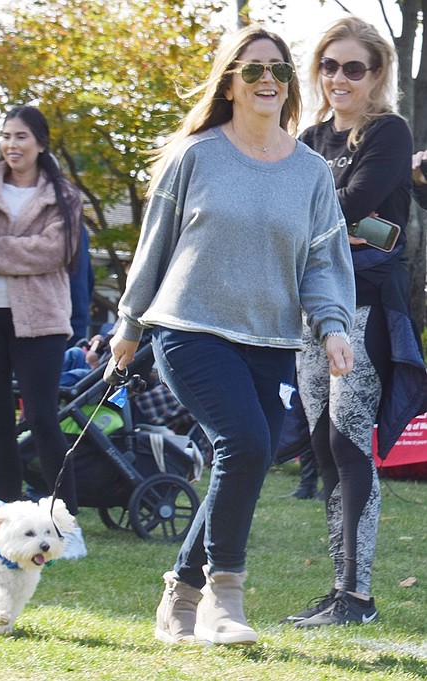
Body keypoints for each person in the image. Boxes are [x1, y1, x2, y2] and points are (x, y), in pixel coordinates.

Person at [109, 25, 355, 646]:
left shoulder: (311, 172)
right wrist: (129, 325)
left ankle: (180, 597)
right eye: (252, 70)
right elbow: (154, 247)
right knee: (244, 443)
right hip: (190, 329)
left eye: (278, 69)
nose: (267, 79)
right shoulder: (196, 155)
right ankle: (225, 600)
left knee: (242, 457)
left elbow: (324, 262)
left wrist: (332, 326)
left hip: (272, 340)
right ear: (230, 82)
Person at [282, 17, 427, 629]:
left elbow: (350, 204)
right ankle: (341, 589)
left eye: (354, 68)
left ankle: (358, 595)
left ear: (377, 74)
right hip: (310, 310)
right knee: (322, 447)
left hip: (365, 302)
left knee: (347, 440)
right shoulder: (310, 135)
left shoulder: (388, 132)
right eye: (329, 65)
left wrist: (290, 219)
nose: (339, 78)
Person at [0, 105, 87, 559]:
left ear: (41, 143)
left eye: (22, 136)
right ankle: (5, 524)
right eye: (6, 136)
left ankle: (68, 521)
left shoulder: (63, 194)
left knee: (44, 418)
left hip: (40, 322)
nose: (12, 145)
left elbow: (53, 252)